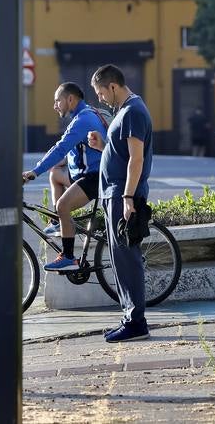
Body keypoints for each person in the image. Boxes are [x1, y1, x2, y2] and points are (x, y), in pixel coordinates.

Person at [88, 64, 152, 343]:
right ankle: (130, 317)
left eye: (101, 92)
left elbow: (136, 160)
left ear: (112, 86)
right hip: (114, 194)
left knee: (126, 259)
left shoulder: (133, 112)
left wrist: (127, 197)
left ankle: (136, 322)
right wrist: (103, 147)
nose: (100, 98)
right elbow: (123, 155)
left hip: (121, 196)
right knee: (120, 259)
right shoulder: (125, 112)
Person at [22, 82, 106, 273]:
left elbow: (61, 147)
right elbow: (79, 148)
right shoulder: (86, 114)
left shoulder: (82, 120)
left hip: (94, 177)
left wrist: (34, 172)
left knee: (62, 205)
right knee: (56, 174)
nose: (55, 106)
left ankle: (69, 257)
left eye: (57, 100)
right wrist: (64, 162)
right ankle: (59, 222)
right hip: (85, 174)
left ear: (70, 99)